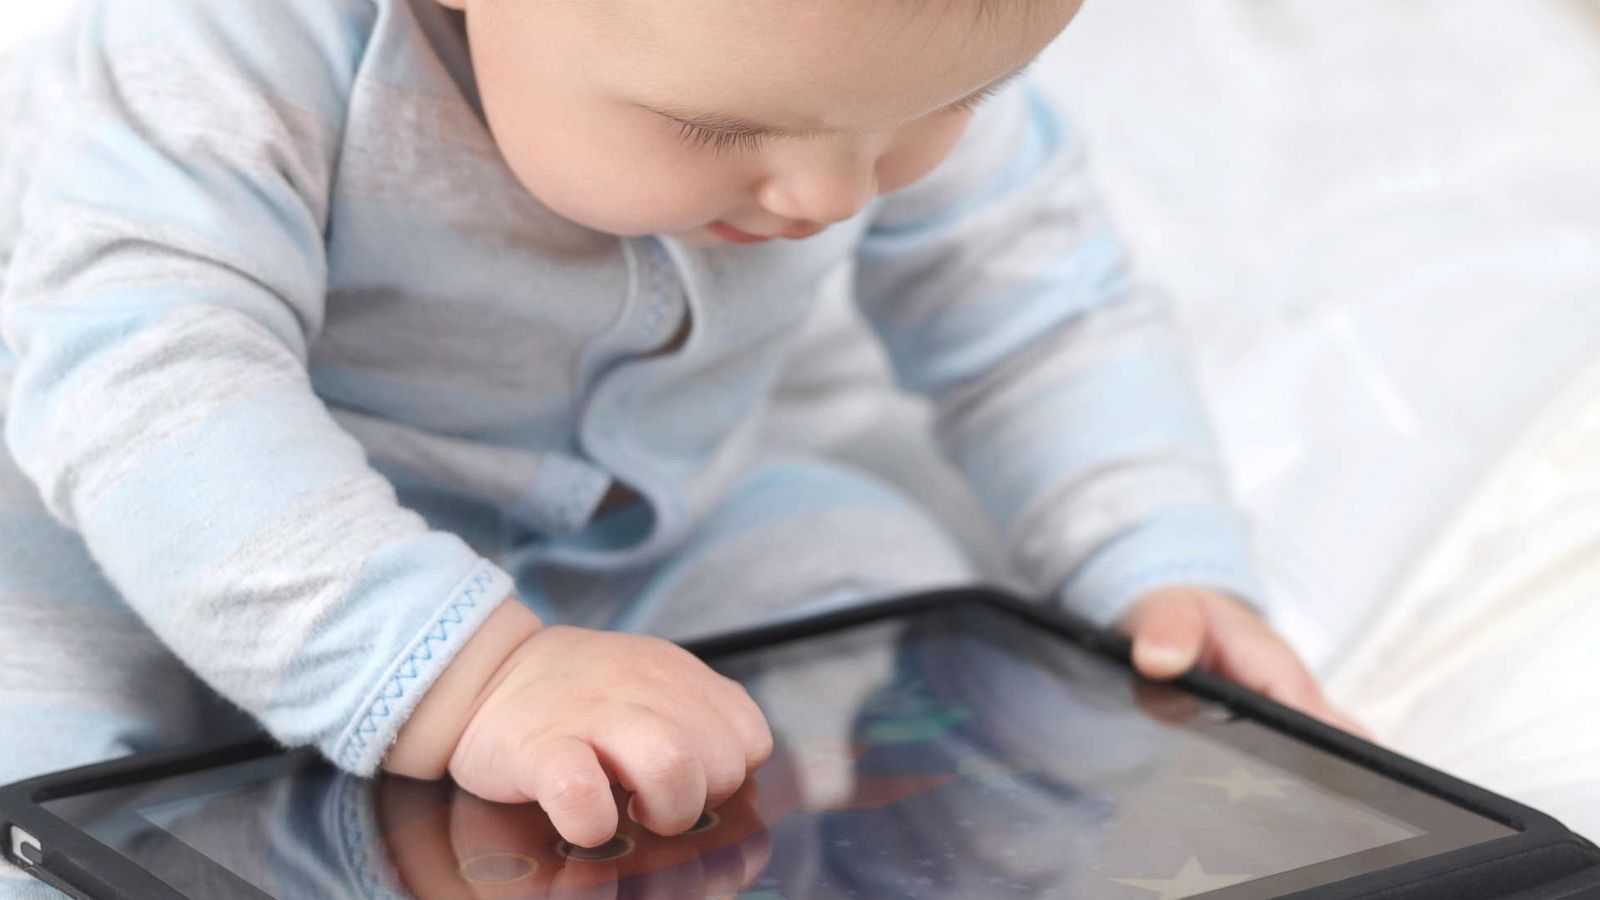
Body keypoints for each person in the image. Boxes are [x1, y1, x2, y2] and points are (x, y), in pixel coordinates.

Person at [0, 0, 1365, 890]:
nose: (833, 194)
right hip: (146, 532)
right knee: (31, 720)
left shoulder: (881, 51)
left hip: (634, 537)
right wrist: (468, 681)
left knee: (890, 586)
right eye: (723, 130)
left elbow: (1037, 300)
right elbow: (148, 380)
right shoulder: (226, 47)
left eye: (938, 110)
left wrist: (1160, 564)